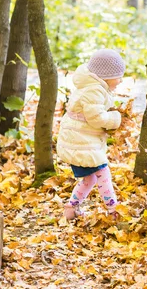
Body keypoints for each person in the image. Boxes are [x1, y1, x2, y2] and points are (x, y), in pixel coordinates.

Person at [57, 49, 125, 220]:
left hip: (80, 140)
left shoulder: (93, 86)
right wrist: (115, 118)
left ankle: (70, 209)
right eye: (118, 76)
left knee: (90, 180)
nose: (120, 80)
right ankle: (114, 211)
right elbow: (96, 118)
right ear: (105, 76)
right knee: (103, 174)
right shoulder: (94, 90)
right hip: (81, 142)